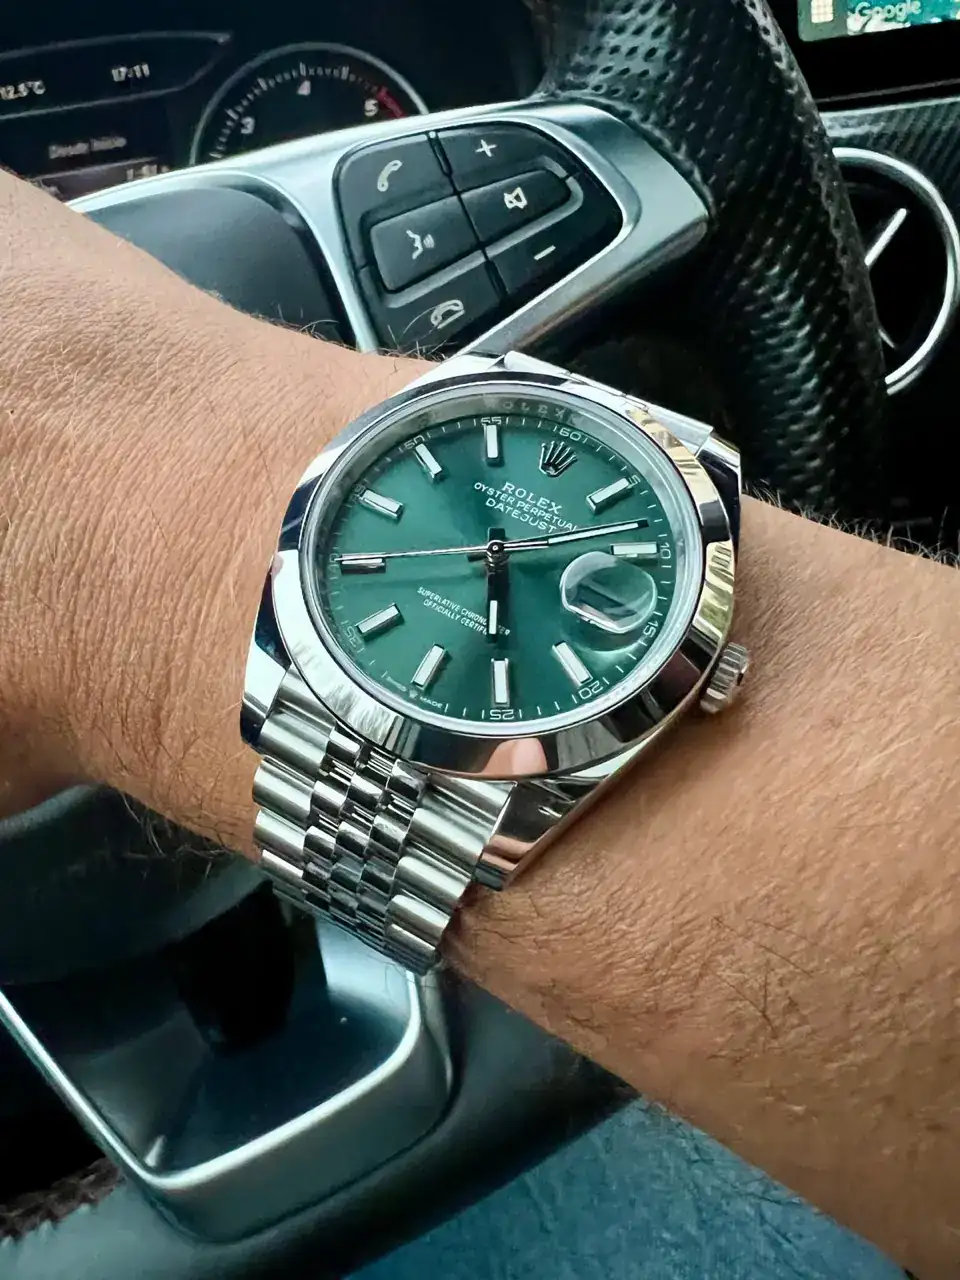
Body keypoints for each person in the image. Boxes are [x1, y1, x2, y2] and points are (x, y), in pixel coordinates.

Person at [0, 167, 956, 1280]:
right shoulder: (374, 515)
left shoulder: (684, 630)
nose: (497, 553)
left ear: (703, 670)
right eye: (492, 546)